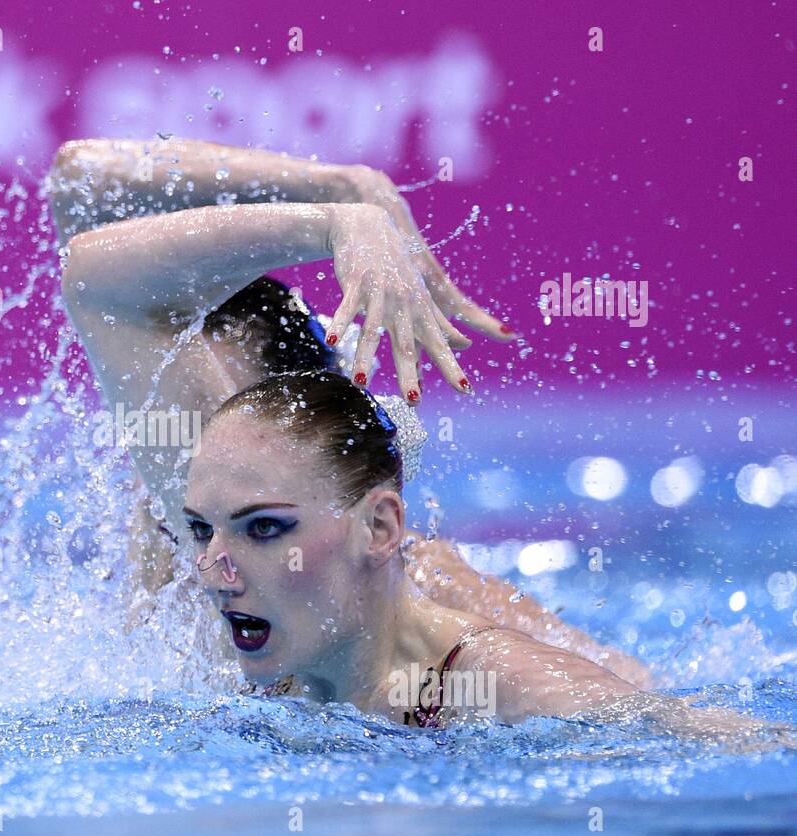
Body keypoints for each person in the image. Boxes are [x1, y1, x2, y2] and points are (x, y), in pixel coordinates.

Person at [46, 137, 652, 686]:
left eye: (226, 413)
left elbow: (620, 688)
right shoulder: (176, 492)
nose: (203, 445)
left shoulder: (402, 578)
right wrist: (335, 197)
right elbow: (80, 180)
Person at [183, 370, 789, 745]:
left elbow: (746, 747)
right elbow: (99, 281)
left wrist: (345, 207)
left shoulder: (501, 685)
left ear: (378, 528)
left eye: (264, 529)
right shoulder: (285, 641)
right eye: (199, 530)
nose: (213, 571)